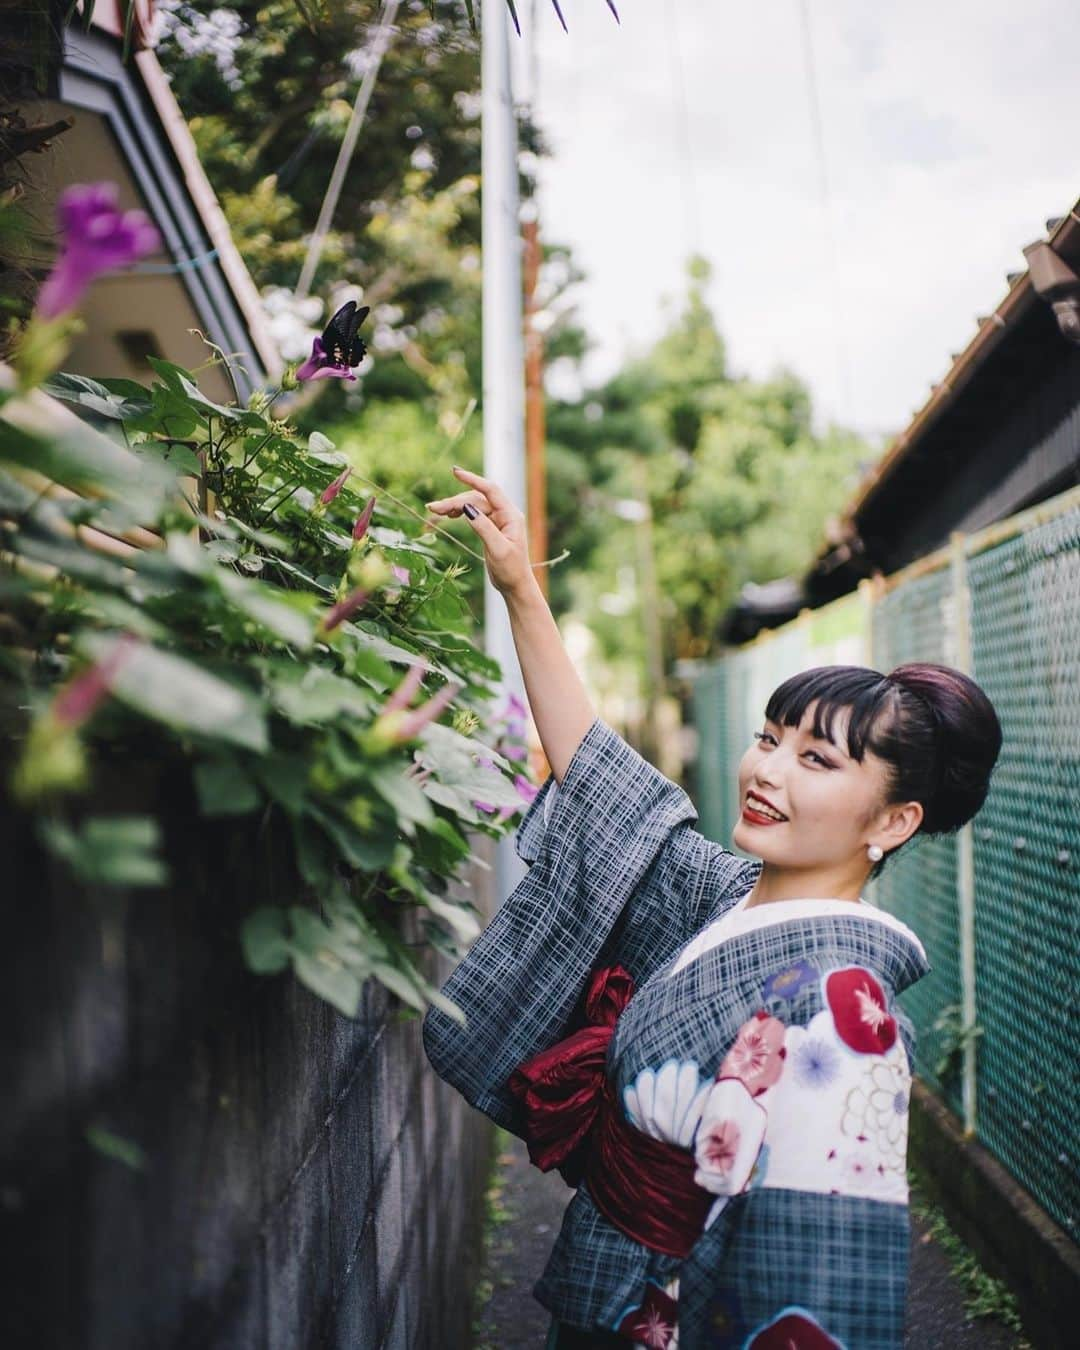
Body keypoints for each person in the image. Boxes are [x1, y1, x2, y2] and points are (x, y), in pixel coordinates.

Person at [421, 467, 1003, 1350]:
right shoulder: (725, 896)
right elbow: (600, 781)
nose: (766, 770)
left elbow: (821, 1290)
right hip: (605, 1291)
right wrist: (518, 587)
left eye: (817, 760)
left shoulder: (846, 1023)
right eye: (771, 739)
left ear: (893, 820)